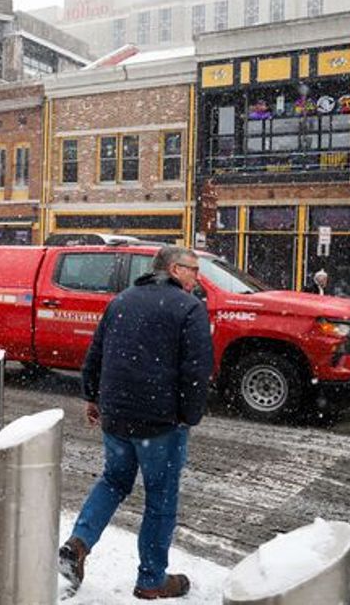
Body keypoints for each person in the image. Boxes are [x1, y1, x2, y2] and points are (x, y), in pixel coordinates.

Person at [59, 245, 214, 600]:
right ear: (174, 269)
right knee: (161, 497)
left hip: (117, 414)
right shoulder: (189, 308)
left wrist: (92, 396)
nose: (197, 277)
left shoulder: (122, 300)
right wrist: (188, 416)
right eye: (193, 269)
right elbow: (196, 370)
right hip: (161, 422)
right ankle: (151, 579)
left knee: (114, 480)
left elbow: (97, 353)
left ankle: (78, 544)